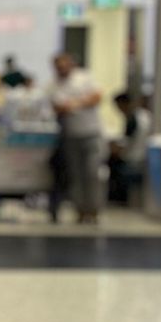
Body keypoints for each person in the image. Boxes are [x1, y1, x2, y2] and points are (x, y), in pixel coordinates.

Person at [51, 52, 106, 224]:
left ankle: (94, 209)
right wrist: (66, 107)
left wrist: (76, 104)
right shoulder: (54, 85)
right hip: (71, 135)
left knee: (92, 172)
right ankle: (80, 210)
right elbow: (56, 107)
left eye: (64, 65)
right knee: (76, 174)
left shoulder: (84, 78)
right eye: (58, 67)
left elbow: (97, 97)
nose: (61, 69)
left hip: (90, 132)